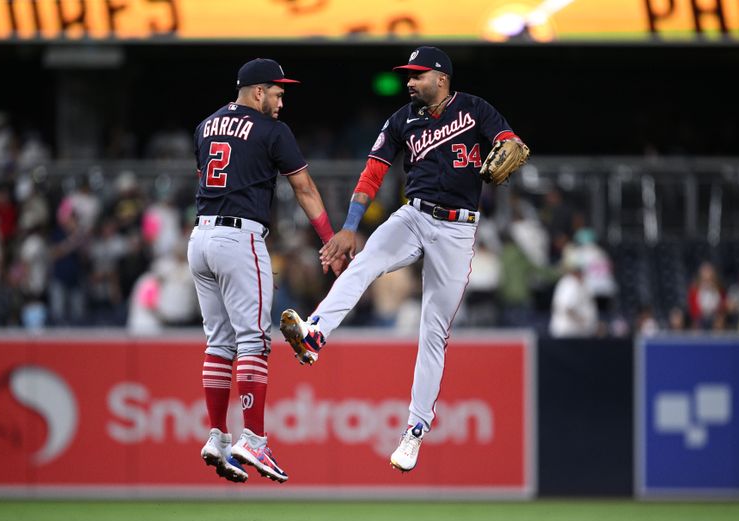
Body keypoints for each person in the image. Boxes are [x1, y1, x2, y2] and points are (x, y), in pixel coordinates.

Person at [279, 46, 529, 473]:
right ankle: (315, 334)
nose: (409, 82)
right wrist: (351, 225)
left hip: (456, 229)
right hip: (414, 214)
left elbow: (510, 143)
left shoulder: (473, 108)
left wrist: (508, 143)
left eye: (417, 75)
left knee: (433, 330)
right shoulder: (402, 120)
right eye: (407, 76)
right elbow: (373, 171)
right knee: (365, 260)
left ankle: (413, 432)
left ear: (441, 78)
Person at [188, 58, 340, 484]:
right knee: (253, 340)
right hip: (239, 238)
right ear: (257, 92)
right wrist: (329, 237)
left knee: (219, 343)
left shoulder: (205, 126)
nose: (280, 100)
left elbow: (206, 176)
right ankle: (252, 437)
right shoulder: (272, 130)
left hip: (200, 238)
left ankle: (217, 436)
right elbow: (304, 187)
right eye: (276, 92)